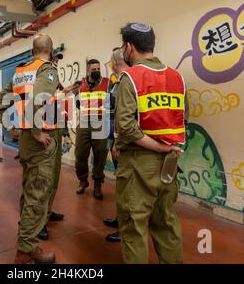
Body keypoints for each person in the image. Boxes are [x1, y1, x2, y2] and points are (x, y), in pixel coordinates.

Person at [113, 22, 188, 264]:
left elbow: (125, 126)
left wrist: (156, 146)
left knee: (134, 226)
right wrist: (166, 146)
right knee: (165, 223)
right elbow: (184, 116)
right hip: (170, 163)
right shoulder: (177, 77)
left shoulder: (130, 77)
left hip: (138, 163)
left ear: (129, 47)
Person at [0, 34, 59, 264]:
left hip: (25, 142)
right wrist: (36, 131)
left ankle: (27, 242)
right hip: (39, 142)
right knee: (37, 196)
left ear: (32, 50)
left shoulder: (20, 72)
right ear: (50, 50)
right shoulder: (48, 69)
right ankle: (25, 251)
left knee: (30, 192)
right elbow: (37, 101)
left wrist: (12, 126)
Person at [37, 48, 71, 241]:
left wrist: (65, 134)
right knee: (43, 179)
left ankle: (47, 212)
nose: (57, 63)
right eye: (55, 59)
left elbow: (60, 109)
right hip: (44, 134)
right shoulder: (40, 80)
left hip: (56, 130)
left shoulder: (56, 83)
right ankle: (39, 221)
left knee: (54, 177)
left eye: (58, 61)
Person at [75, 59, 110, 199]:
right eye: (93, 70)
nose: (96, 72)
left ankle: (97, 183)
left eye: (98, 69)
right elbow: (77, 103)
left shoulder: (107, 83)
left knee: (100, 155)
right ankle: (83, 180)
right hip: (83, 122)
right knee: (80, 153)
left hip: (100, 122)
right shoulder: (80, 84)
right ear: (88, 70)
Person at [103, 47, 128, 243]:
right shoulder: (117, 82)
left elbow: (122, 115)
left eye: (111, 61)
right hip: (114, 138)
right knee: (121, 185)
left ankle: (126, 227)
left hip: (122, 143)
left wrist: (117, 144)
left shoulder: (124, 82)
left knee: (126, 187)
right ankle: (120, 219)